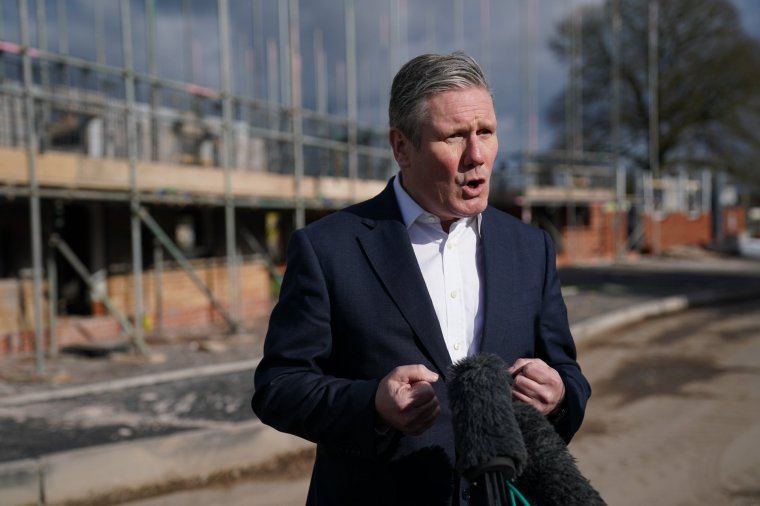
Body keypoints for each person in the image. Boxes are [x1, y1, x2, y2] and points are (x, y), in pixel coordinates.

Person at [252, 52, 590, 506]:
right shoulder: (328, 248)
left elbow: (568, 372)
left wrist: (560, 394)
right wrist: (372, 403)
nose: (477, 156)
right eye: (454, 136)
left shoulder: (531, 248)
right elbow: (279, 386)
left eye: (486, 133)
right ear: (402, 147)